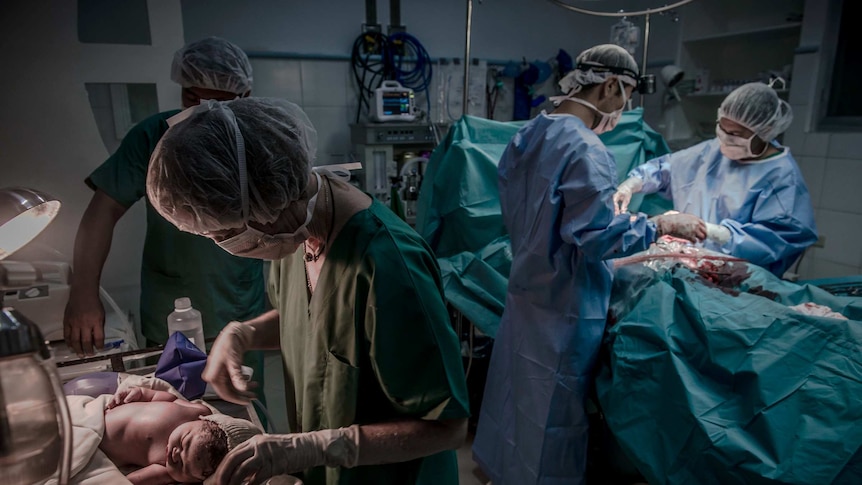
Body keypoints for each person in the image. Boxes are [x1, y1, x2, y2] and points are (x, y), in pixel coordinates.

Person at [145, 97, 470, 485]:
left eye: (224, 232)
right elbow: (322, 322)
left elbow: (447, 426)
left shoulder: (389, 266)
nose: (223, 244)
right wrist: (243, 333)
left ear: (266, 201)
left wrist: (314, 447)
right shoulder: (296, 233)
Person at [471, 44, 707, 485]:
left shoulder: (529, 134)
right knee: (550, 419)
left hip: (527, 292)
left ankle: (502, 472)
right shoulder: (586, 148)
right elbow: (598, 236)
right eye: (627, 96)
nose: (624, 108)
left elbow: (543, 212)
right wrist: (658, 224)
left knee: (515, 399)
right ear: (612, 85)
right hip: (565, 303)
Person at [63, 37, 268, 401]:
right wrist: (83, 292)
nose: (204, 110)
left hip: (236, 303)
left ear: (245, 96)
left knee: (240, 410)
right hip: (171, 304)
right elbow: (103, 210)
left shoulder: (254, 140)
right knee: (174, 408)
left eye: (218, 102)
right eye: (192, 98)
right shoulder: (153, 137)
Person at [613, 81, 817, 277]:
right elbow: (667, 169)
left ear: (763, 133)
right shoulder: (712, 151)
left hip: (738, 280)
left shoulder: (781, 176)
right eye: (722, 129)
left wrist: (711, 232)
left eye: (735, 134)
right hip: (689, 267)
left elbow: (778, 240)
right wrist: (633, 183)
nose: (726, 139)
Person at [100, 386, 262, 484]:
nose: (176, 455)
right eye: (184, 442)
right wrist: (140, 392)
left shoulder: (165, 469)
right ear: (203, 420)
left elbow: (129, 481)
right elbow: (163, 397)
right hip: (100, 409)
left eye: (183, 466)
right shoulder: (197, 410)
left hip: (96, 445)